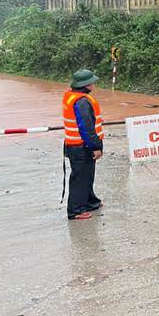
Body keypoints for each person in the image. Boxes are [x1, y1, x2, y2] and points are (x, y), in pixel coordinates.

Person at [63, 69, 104, 220]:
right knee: (80, 178)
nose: (94, 84)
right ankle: (75, 210)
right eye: (92, 82)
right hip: (81, 146)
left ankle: (90, 202)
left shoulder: (75, 97)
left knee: (87, 175)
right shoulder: (82, 102)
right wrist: (96, 147)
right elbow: (86, 128)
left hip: (77, 145)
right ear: (86, 85)